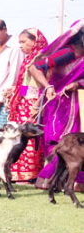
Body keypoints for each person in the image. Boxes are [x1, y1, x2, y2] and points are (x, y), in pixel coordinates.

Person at [30, 20, 84, 190]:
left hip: (73, 101)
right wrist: (48, 87)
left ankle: (72, 181)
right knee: (60, 141)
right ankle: (48, 178)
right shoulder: (68, 53)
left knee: (73, 141)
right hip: (57, 101)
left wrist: (77, 84)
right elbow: (35, 68)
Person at [7, 28, 48, 182]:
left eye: (24, 42)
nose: (21, 46)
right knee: (20, 138)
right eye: (20, 42)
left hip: (34, 104)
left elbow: (45, 85)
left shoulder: (42, 58)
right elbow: (26, 84)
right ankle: (19, 173)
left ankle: (31, 174)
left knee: (32, 139)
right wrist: (14, 90)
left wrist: (37, 105)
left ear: (35, 41)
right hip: (24, 102)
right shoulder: (29, 58)